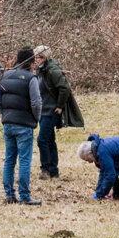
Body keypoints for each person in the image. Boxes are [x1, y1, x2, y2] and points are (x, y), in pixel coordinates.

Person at [0, 47, 44, 205]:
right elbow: (36, 103)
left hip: (8, 123)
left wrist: (4, 115)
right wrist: (35, 119)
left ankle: (9, 195)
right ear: (30, 61)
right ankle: (24, 196)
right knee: (24, 160)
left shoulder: (4, 76)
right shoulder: (31, 79)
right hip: (24, 125)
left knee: (9, 160)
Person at [33, 45, 82, 178]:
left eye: (37, 57)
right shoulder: (41, 70)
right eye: (35, 57)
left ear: (45, 57)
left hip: (51, 110)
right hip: (43, 110)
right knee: (49, 139)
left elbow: (64, 88)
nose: (35, 60)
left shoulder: (52, 70)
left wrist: (59, 106)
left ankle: (46, 169)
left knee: (42, 140)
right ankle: (53, 170)